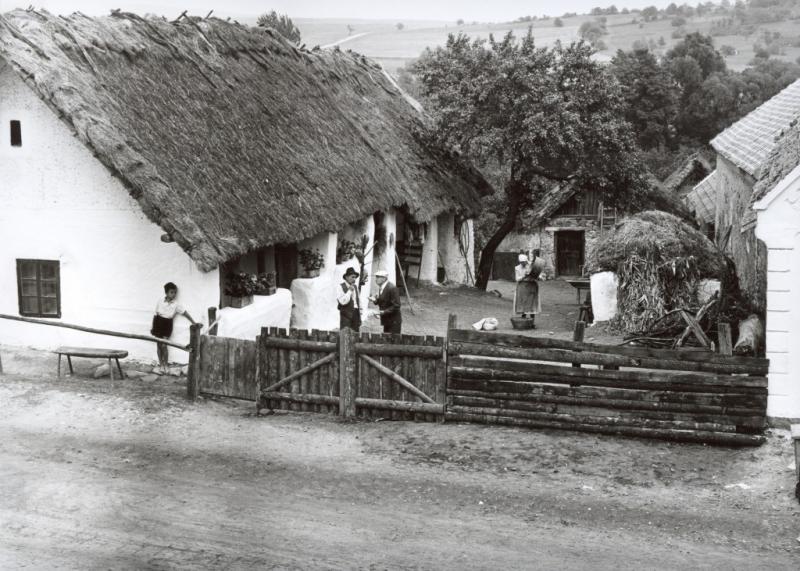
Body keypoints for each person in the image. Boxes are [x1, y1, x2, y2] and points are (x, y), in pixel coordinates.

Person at [151, 282, 196, 373]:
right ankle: (161, 364)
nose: (174, 294)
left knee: (164, 345)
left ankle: (166, 365)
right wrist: (153, 327)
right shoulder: (160, 301)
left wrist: (193, 322)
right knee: (158, 345)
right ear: (166, 293)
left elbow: (184, 313)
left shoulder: (176, 304)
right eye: (171, 292)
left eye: (175, 292)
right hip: (158, 323)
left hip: (167, 324)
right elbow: (155, 314)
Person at [514, 250, 543, 324]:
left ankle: (532, 322)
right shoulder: (517, 268)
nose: (523, 263)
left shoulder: (531, 266)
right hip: (522, 287)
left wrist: (539, 277)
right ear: (520, 262)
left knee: (532, 304)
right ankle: (523, 322)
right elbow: (517, 279)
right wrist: (524, 275)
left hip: (532, 286)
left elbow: (538, 274)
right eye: (522, 262)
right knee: (523, 303)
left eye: (524, 262)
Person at [369, 270, 402, 334]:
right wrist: (375, 300)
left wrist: (384, 312)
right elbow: (384, 301)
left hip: (393, 321)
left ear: (384, 278)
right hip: (387, 320)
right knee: (386, 337)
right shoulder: (382, 287)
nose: (376, 279)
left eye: (378, 277)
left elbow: (397, 305)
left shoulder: (392, 288)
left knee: (392, 338)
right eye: (376, 277)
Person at [337, 267, 362, 332]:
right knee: (345, 333)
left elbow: (358, 300)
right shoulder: (340, 287)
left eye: (355, 277)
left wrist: (360, 312)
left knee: (355, 333)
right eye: (352, 277)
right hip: (346, 314)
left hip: (355, 313)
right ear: (346, 277)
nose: (354, 279)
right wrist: (349, 291)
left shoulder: (355, 287)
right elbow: (343, 302)